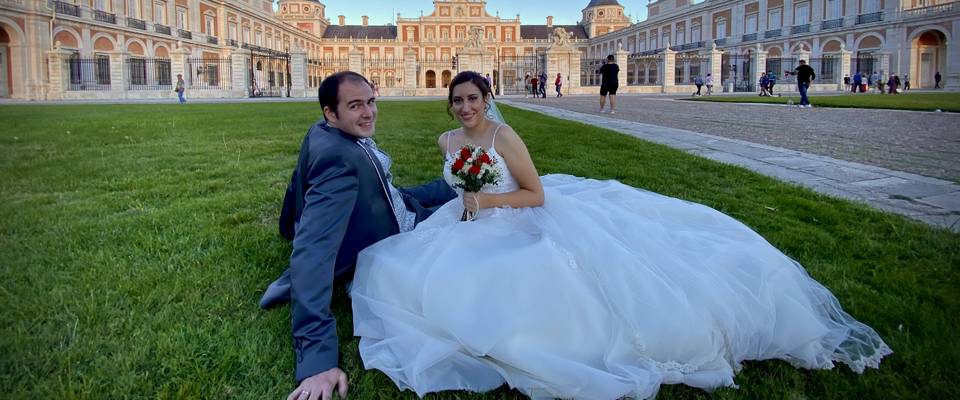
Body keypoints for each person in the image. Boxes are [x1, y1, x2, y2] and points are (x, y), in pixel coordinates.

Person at [350, 71, 891, 399]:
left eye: (473, 99)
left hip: (518, 216)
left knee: (530, 283)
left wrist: (487, 199)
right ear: (450, 106)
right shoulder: (448, 140)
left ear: (487, 100)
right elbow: (457, 184)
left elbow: (535, 194)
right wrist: (468, 204)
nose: (466, 107)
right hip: (469, 223)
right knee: (401, 267)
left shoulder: (504, 133)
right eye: (458, 100)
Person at [259, 71, 456, 400]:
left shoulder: (322, 131)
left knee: (453, 187)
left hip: (387, 201)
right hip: (394, 228)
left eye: (371, 102)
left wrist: (288, 224)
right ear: (330, 113)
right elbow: (313, 252)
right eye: (355, 106)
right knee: (472, 213)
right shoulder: (337, 161)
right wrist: (317, 360)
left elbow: (298, 183)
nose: (368, 112)